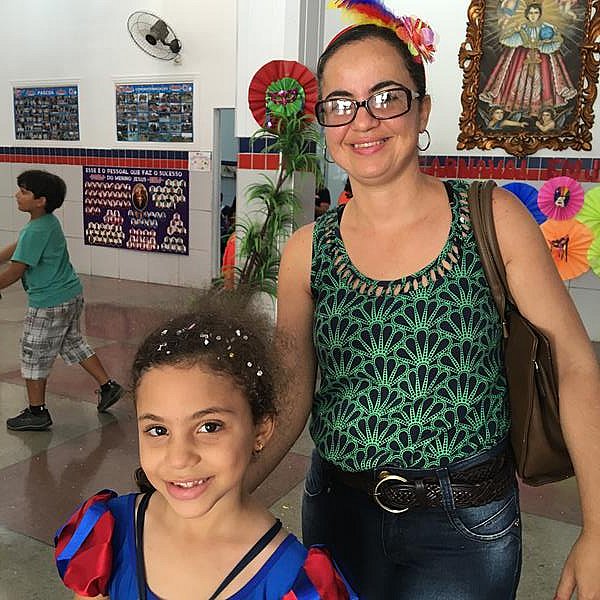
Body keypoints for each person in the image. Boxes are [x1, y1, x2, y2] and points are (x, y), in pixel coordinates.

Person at [246, 6, 600, 600]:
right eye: (340, 103)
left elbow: (574, 363)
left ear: (423, 109)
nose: (363, 120)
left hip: (464, 525)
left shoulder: (492, 217)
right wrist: (229, 490)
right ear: (324, 122)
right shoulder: (307, 250)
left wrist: (597, 525)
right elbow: (293, 390)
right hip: (337, 514)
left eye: (386, 97)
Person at [54, 290, 357, 599]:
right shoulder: (108, 537)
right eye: (158, 430)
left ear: (261, 430)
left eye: (209, 427)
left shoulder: (294, 584)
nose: (179, 458)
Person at [0, 170, 124, 431]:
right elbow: (18, 247)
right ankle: (108, 386)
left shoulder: (36, 230)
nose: (17, 195)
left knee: (33, 353)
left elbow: (15, 270)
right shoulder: (46, 223)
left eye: (24, 192)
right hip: (70, 296)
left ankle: (37, 412)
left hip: (49, 303)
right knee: (73, 342)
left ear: (40, 201)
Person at [479, 2, 577, 118]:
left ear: (540, 14)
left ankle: (542, 111)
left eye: (536, 12)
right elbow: (507, 39)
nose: (533, 15)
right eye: (531, 13)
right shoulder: (522, 27)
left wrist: (547, 42)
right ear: (526, 14)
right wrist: (517, 33)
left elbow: (556, 40)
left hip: (542, 58)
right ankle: (519, 109)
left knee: (544, 80)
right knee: (517, 79)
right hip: (522, 57)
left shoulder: (547, 27)